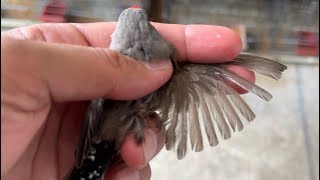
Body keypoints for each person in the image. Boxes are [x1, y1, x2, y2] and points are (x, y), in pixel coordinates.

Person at [1, 22, 254, 180]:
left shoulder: (159, 74)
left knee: (129, 154)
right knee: (129, 156)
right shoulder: (108, 83)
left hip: (89, 148)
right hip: (90, 145)